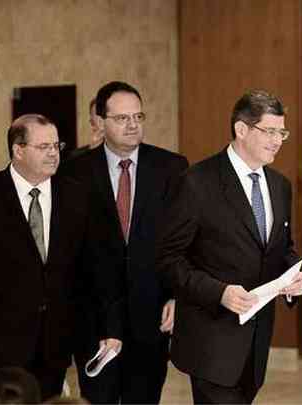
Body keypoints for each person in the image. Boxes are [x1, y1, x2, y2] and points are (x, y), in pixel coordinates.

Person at [0, 114, 123, 400]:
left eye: (57, 145)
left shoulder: (77, 194)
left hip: (56, 340)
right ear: (18, 150)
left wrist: (110, 327)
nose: (54, 153)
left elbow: (97, 268)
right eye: (44, 147)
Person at [156, 90, 302, 404]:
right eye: (270, 131)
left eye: (282, 132)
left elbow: (281, 246)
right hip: (210, 343)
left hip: (255, 346)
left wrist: (291, 277)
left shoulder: (281, 186)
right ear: (241, 130)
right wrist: (219, 292)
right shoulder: (196, 182)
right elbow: (168, 258)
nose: (278, 140)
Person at [61, 81, 188, 404]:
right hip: (94, 319)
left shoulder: (171, 168)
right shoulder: (73, 173)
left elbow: (184, 238)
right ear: (100, 122)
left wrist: (177, 295)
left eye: (138, 116)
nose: (133, 125)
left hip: (151, 314)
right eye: (121, 118)